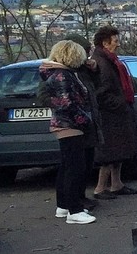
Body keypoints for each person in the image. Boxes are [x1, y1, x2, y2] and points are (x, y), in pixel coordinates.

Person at [39, 40, 101, 224]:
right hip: (70, 125)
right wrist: (85, 121)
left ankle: (63, 205)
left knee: (66, 166)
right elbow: (68, 104)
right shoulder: (63, 75)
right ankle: (74, 210)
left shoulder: (56, 73)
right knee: (75, 168)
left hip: (65, 124)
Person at [90, 25, 137, 199]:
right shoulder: (102, 63)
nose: (118, 45)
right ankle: (100, 188)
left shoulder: (109, 61)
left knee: (117, 152)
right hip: (110, 115)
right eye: (115, 41)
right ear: (105, 43)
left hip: (117, 112)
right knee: (108, 153)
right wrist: (120, 104)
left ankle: (116, 184)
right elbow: (102, 92)